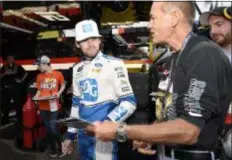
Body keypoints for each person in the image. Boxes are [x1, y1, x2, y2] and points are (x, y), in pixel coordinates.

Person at [88, 2, 232, 160]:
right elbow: (171, 115)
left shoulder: (204, 55)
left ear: (174, 18)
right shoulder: (173, 60)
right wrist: (149, 136)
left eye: (153, 18)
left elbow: (188, 130)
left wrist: (121, 131)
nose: (149, 25)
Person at [62, 19, 136, 160]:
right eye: (85, 40)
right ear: (77, 44)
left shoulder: (115, 64)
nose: (90, 44)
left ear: (99, 40)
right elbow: (76, 105)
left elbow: (129, 102)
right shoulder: (77, 69)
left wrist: (106, 124)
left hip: (104, 136)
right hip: (83, 138)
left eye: (94, 38)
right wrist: (70, 135)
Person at [200, 6, 232, 159]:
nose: (212, 31)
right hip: (217, 139)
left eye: (219, 24)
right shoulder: (207, 57)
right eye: (210, 26)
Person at [33, 55, 66, 158]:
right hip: (42, 107)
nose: (38, 67)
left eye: (39, 65)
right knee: (48, 129)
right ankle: (53, 148)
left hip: (53, 105)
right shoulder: (39, 76)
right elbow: (39, 90)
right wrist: (36, 96)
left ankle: (62, 146)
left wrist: (59, 92)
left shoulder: (58, 74)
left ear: (45, 63)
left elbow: (63, 84)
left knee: (52, 127)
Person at [0, 55, 28, 125]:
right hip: (6, 89)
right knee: (5, 104)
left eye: (11, 58)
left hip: (16, 88)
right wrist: (5, 73)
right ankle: (5, 119)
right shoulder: (4, 67)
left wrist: (21, 80)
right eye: (8, 58)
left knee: (18, 104)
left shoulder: (18, 66)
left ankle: (20, 119)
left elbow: (26, 73)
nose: (9, 60)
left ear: (14, 59)